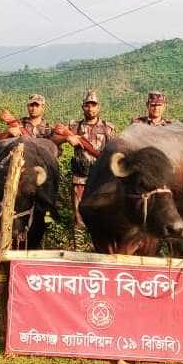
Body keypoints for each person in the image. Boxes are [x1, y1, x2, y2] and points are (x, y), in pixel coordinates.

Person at [64, 90, 115, 250]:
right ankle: (79, 254)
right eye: (87, 105)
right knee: (79, 219)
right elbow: (56, 136)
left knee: (103, 217)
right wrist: (67, 137)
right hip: (80, 180)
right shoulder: (74, 126)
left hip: (101, 182)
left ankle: (101, 253)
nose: (90, 109)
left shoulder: (108, 128)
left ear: (98, 107)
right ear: (83, 107)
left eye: (93, 105)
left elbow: (114, 152)